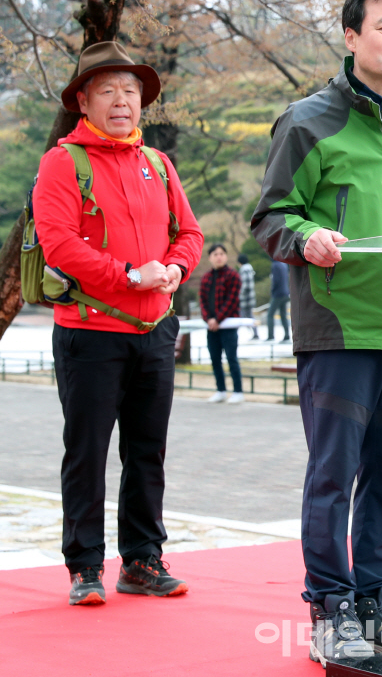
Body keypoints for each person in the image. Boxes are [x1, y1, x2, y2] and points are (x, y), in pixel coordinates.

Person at [251, 0, 382, 665]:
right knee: (335, 474)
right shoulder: (308, 120)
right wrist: (305, 240)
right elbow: (270, 218)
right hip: (338, 328)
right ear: (352, 37)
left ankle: (377, 596)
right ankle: (330, 606)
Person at [33, 41, 204, 606]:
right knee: (86, 450)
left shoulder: (158, 163)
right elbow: (58, 245)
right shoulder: (63, 162)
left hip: (154, 331)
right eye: (106, 89)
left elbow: (190, 234)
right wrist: (130, 276)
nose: (121, 100)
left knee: (147, 449)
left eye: (130, 90)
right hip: (89, 332)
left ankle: (141, 559)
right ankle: (85, 565)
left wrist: (174, 269)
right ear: (83, 101)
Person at [199, 243, 244, 404]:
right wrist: (209, 319)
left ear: (226, 256)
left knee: (232, 358)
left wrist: (217, 319)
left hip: (228, 325)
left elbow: (232, 301)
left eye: (221, 253)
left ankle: (238, 391)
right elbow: (203, 302)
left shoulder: (233, 276)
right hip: (211, 327)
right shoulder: (206, 278)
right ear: (210, 257)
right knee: (215, 359)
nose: (219, 257)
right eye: (215, 254)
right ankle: (221, 390)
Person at [266, 260, 290, 342]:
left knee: (270, 314)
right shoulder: (284, 264)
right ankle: (287, 335)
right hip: (285, 292)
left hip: (278, 294)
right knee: (283, 315)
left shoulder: (275, 265)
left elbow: (275, 280)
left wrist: (272, 291)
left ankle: (270, 335)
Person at [237, 253, 259, 339]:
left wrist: (239, 294)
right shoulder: (249, 269)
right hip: (250, 297)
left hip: (245, 298)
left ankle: (233, 333)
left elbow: (244, 286)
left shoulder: (244, 270)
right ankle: (255, 333)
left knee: (240, 316)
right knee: (249, 316)